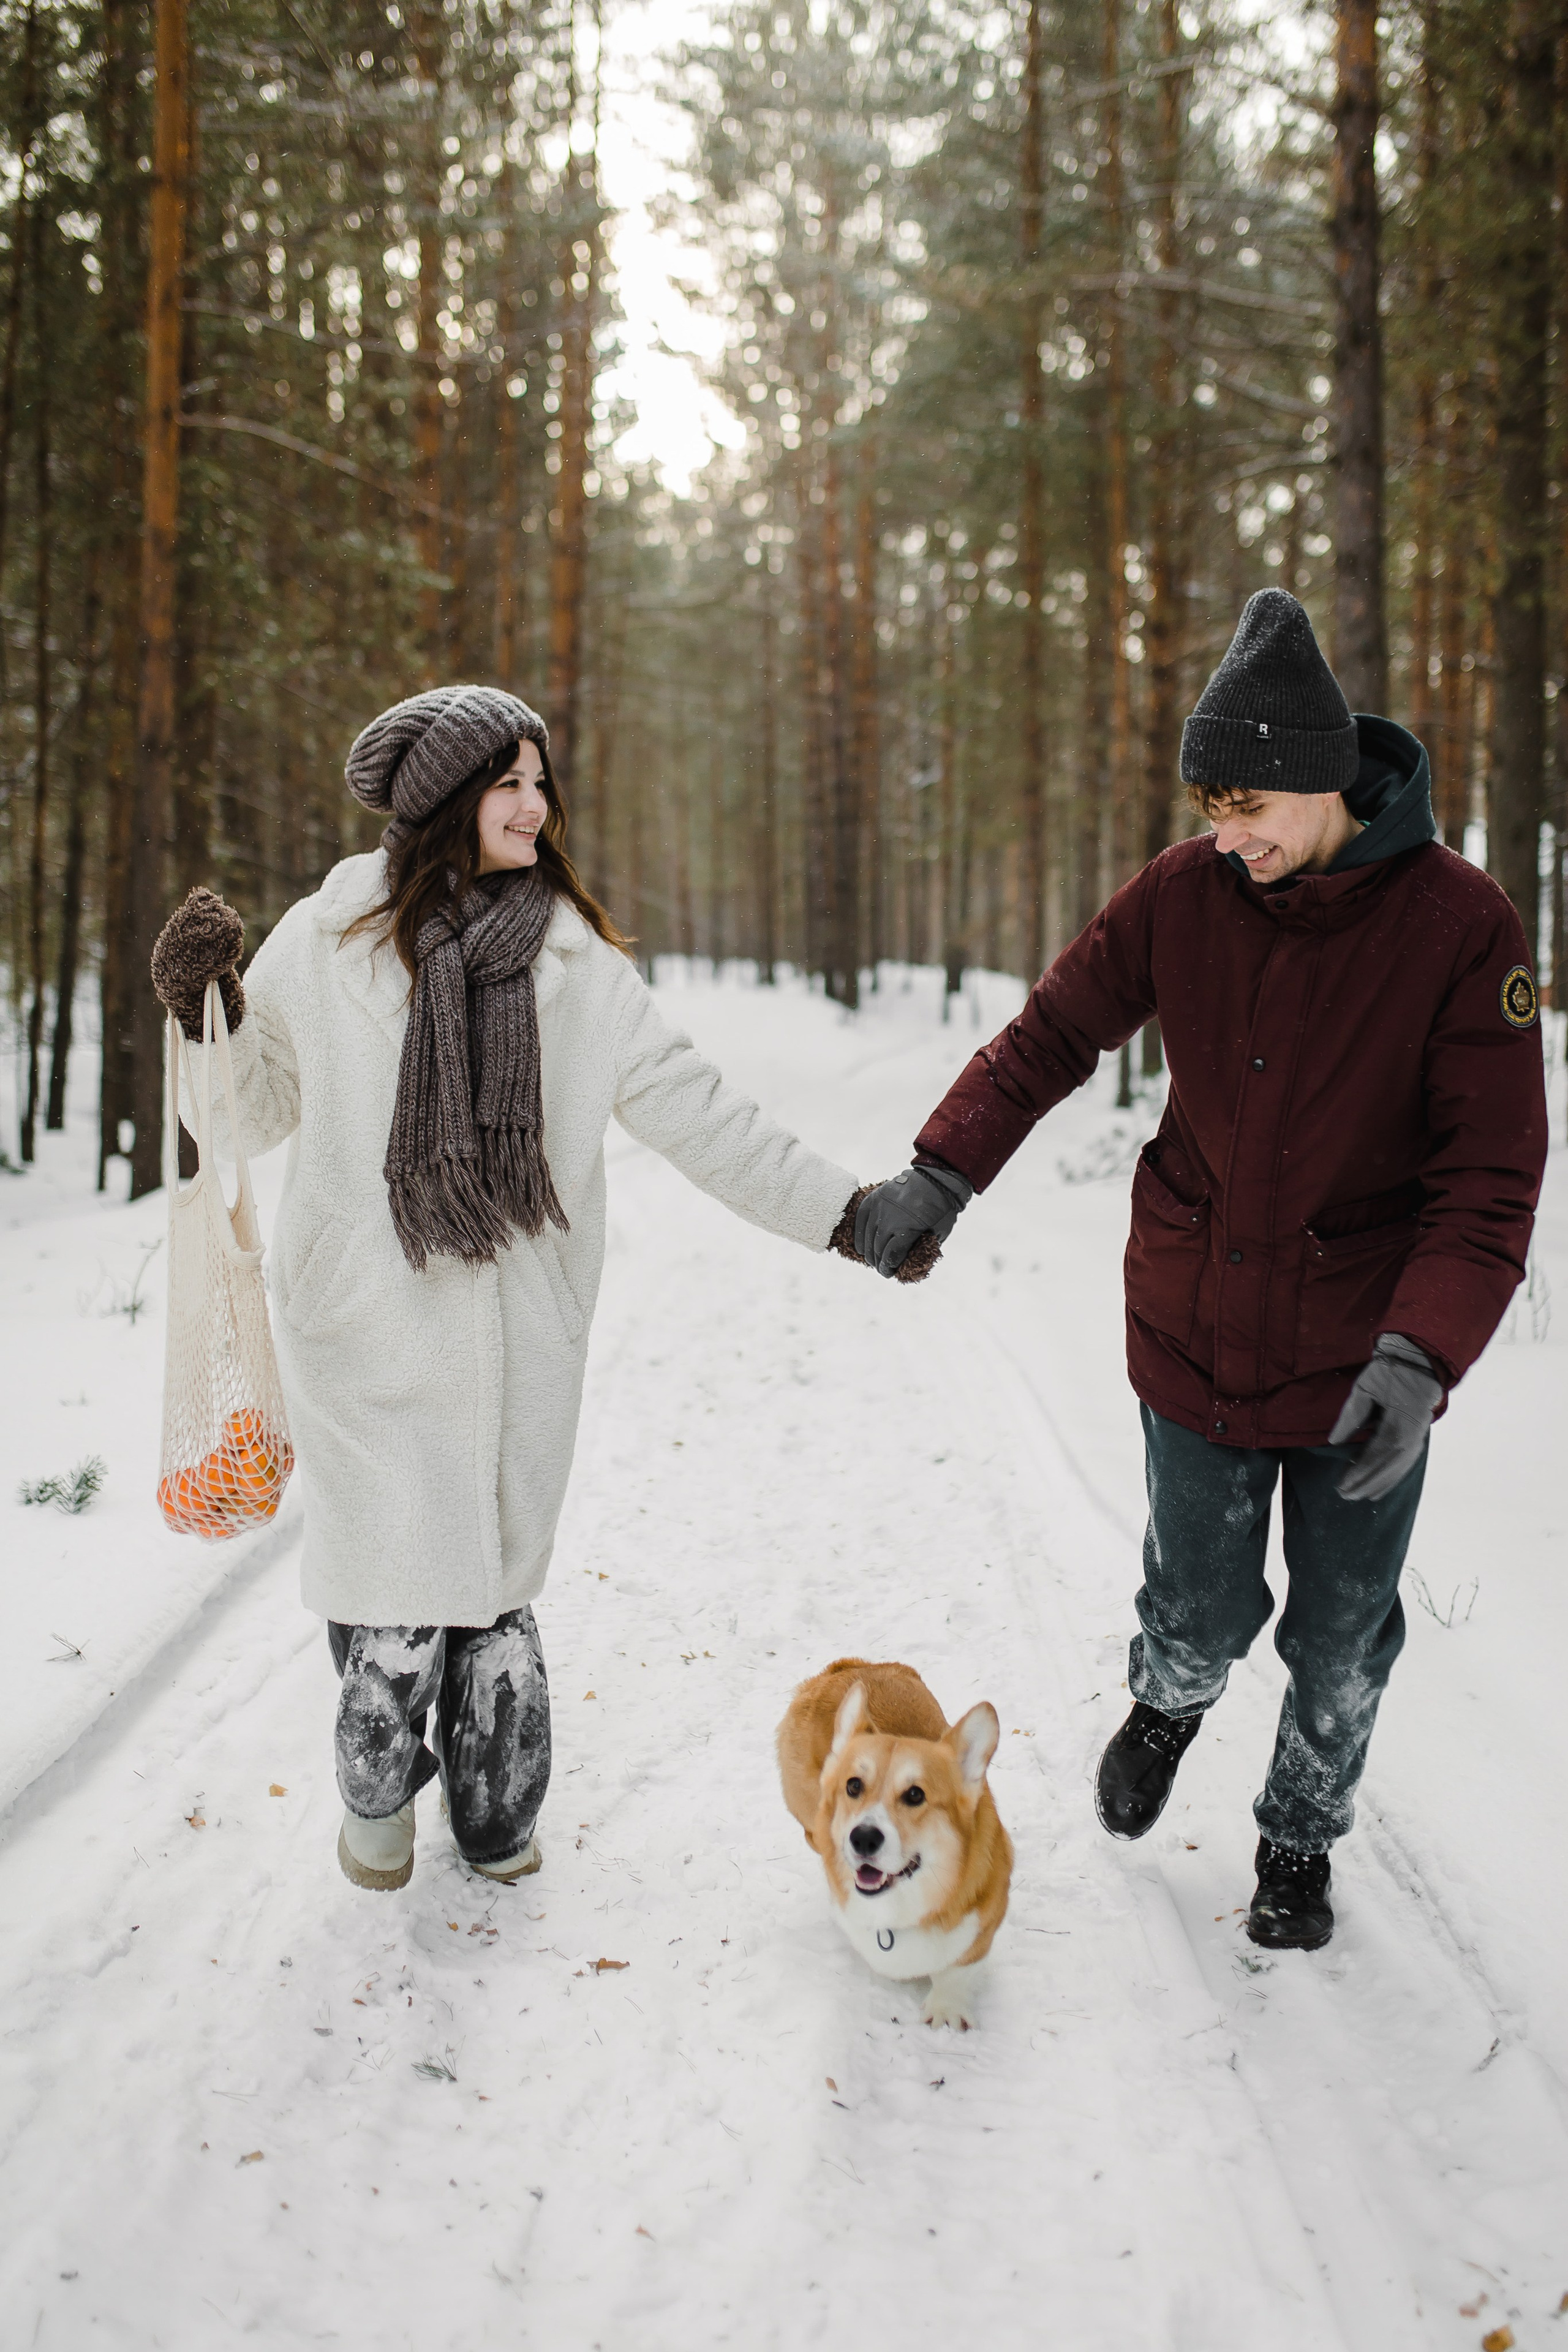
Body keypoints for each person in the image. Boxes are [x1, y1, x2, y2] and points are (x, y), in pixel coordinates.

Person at [851, 590, 1548, 1950]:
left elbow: (1489, 1179)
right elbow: (1052, 1035)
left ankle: (1299, 1838)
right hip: (1195, 1324)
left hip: (1366, 1353)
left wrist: (1422, 1354)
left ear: (1322, 780)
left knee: (1341, 1637)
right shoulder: (1184, 893)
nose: (1226, 838)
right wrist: (943, 1170)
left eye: (1248, 809)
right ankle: (1168, 1700)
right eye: (1211, 810)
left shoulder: (1460, 927)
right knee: (1198, 1606)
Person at [151, 686, 862, 1893]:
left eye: (541, 782)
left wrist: (843, 1214)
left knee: (490, 1609)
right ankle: (378, 1797)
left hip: (518, 1342)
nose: (535, 806)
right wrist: (204, 1014)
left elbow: (703, 1114)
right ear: (446, 800)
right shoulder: (327, 941)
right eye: (509, 783)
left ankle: (492, 1818)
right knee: (391, 1613)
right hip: (363, 1335)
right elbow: (249, 1116)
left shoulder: (576, 965)